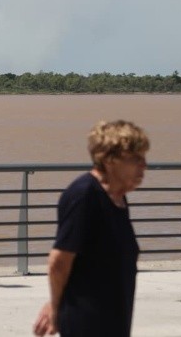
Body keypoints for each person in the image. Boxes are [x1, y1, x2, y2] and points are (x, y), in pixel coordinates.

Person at [33, 120, 150, 336]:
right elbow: (59, 261)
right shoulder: (84, 195)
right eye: (136, 158)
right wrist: (56, 307)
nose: (144, 165)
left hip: (114, 323)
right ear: (110, 159)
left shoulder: (118, 199)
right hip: (86, 324)